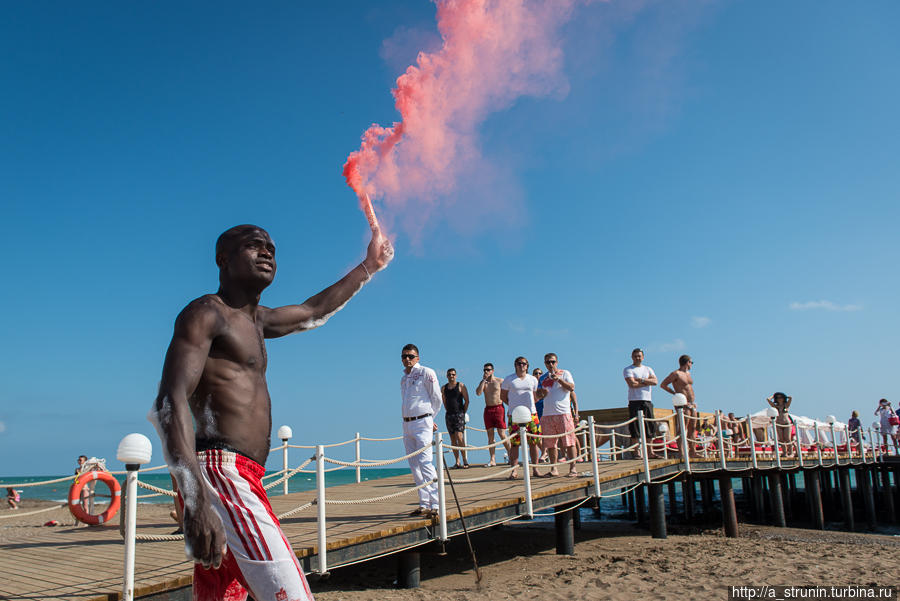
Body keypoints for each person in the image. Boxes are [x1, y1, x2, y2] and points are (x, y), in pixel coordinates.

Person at [150, 222, 393, 601]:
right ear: (223, 259)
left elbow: (314, 310)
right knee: (291, 595)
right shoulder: (206, 313)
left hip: (245, 476)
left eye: (272, 249)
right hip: (220, 474)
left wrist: (369, 266)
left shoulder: (257, 321)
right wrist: (195, 499)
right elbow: (170, 402)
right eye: (254, 246)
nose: (267, 253)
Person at [400, 344, 442, 515]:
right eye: (404, 356)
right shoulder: (403, 379)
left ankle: (436, 504)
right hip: (407, 423)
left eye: (410, 356)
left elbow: (437, 398)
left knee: (425, 463)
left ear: (417, 357)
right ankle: (424, 503)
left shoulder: (426, 372)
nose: (407, 359)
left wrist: (430, 418)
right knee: (414, 465)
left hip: (422, 421)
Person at [535, 353, 578, 477]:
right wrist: (541, 392)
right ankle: (554, 469)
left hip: (563, 413)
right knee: (550, 444)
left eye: (553, 362)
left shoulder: (565, 373)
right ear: (545, 364)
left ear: (557, 362)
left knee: (569, 442)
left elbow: (571, 387)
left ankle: (573, 468)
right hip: (547, 414)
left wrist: (558, 379)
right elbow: (538, 395)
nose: (551, 364)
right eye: (548, 362)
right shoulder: (542, 378)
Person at [501, 357, 542, 480]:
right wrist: (514, 406)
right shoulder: (509, 379)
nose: (521, 366)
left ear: (527, 366)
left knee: (534, 443)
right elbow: (503, 396)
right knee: (515, 444)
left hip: (531, 414)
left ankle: (535, 469)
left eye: (524, 364)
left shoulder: (533, 379)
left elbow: (536, 396)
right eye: (519, 364)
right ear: (515, 365)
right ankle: (514, 470)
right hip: (515, 415)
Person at [623, 348, 659, 458]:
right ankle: (636, 452)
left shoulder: (648, 369)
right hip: (634, 401)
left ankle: (650, 452)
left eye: (639, 356)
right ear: (632, 357)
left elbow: (655, 382)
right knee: (635, 427)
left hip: (647, 400)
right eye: (635, 356)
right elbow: (632, 384)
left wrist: (641, 380)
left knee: (649, 426)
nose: (637, 358)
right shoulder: (628, 369)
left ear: (643, 357)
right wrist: (647, 382)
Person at [660, 355, 697, 455]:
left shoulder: (688, 374)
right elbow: (663, 384)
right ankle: (682, 452)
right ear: (687, 362)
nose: (692, 365)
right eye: (691, 362)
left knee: (693, 428)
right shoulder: (676, 373)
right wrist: (675, 394)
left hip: (692, 404)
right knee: (682, 427)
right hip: (682, 404)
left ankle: (693, 451)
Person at [476, 362, 509, 467]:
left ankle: (511, 455)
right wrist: (483, 381)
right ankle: (492, 459)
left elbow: (507, 395)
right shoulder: (484, 383)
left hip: (499, 408)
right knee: (490, 436)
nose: (486, 371)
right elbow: (478, 393)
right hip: (488, 409)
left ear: (492, 371)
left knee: (502, 434)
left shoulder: (500, 381)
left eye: (488, 370)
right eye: (485, 370)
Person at [441, 368, 470, 468]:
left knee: (459, 437)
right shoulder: (444, 388)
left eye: (453, 374)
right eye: (449, 375)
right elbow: (444, 401)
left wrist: (462, 412)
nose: (451, 376)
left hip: (459, 414)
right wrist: (448, 411)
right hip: (449, 415)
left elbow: (467, 401)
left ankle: (465, 460)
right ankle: (457, 461)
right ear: (447, 376)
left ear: (456, 375)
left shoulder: (461, 386)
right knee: (452, 439)